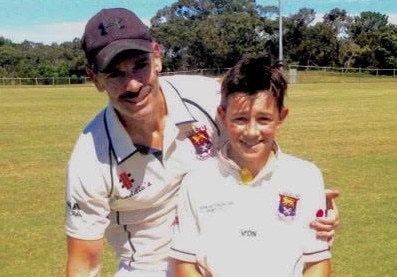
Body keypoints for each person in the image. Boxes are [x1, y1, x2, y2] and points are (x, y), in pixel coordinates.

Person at [65, 7, 339, 277]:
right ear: (95, 79)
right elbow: (84, 264)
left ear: (157, 57)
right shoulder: (90, 159)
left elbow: (256, 136)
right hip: (147, 268)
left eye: (140, 65)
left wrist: (303, 198)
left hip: (221, 260)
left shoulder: (206, 97)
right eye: (115, 74)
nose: (133, 85)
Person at [169, 56, 332, 277]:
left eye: (263, 119)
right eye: (240, 119)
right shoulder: (197, 181)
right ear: (222, 115)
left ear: (281, 116)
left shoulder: (305, 176)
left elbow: (317, 262)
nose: (251, 132)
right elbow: (184, 264)